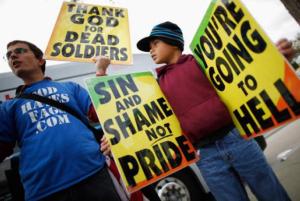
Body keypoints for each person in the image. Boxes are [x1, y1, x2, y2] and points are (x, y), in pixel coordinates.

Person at [134, 21, 291, 201]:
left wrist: (272, 57)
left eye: (155, 44)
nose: (151, 50)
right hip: (205, 156)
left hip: (236, 139)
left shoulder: (202, 61)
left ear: (173, 42)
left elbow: (241, 68)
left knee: (272, 193)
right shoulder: (158, 84)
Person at [0, 40, 122, 201]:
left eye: (20, 50)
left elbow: (102, 112)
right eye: (8, 55)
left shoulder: (70, 87)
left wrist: (100, 70)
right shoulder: (9, 107)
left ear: (40, 60)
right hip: (44, 190)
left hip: (94, 174)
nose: (13, 55)